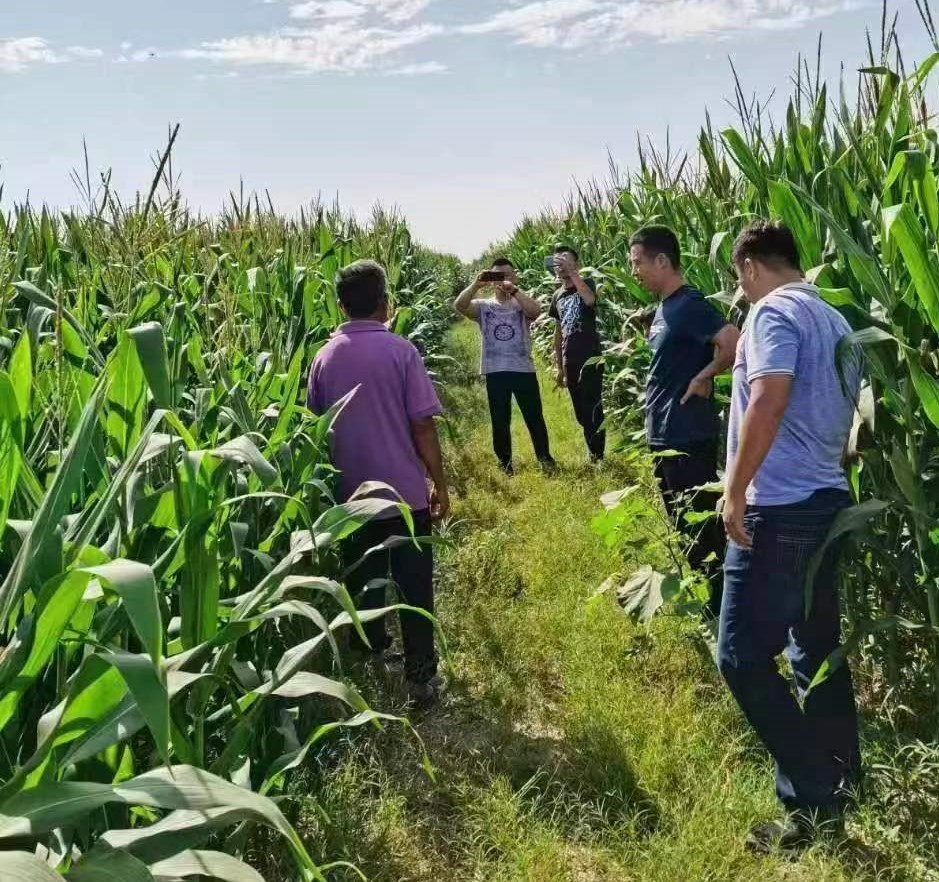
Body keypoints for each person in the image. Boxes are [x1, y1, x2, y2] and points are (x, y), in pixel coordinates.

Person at [718, 221, 862, 852]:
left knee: (743, 657)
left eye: (736, 278)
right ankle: (840, 772)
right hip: (828, 498)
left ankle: (813, 800)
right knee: (814, 645)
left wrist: (735, 487)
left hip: (780, 506)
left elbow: (769, 397)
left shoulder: (772, 312)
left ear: (750, 266)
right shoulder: (833, 318)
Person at [307, 260, 449, 705]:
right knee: (415, 586)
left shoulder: (323, 357)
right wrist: (439, 482)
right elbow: (423, 427)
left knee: (363, 580)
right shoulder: (402, 352)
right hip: (405, 496)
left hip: (350, 500)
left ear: (340, 305)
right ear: (386, 304)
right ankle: (421, 676)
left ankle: (369, 659)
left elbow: (316, 431)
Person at [629, 226, 740, 617]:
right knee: (683, 524)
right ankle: (714, 603)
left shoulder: (689, 303)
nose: (633, 271)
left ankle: (725, 608)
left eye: (638, 262)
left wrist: (705, 376)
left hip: (687, 435)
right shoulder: (664, 306)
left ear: (663, 260)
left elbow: (732, 339)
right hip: (665, 432)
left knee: (701, 528)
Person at [454, 258, 554, 475]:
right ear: (491, 280)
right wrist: (475, 285)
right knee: (500, 420)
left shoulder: (521, 302)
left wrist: (515, 290)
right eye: (497, 276)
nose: (503, 280)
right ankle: (505, 464)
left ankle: (545, 458)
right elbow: (459, 306)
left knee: (534, 416)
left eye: (507, 275)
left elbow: (536, 312)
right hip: (495, 370)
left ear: (515, 276)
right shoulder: (484, 306)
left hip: (523, 368)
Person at [548, 246, 606, 461]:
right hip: (569, 360)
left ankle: (597, 455)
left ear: (576, 265)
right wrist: (559, 366)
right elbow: (558, 331)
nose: (561, 267)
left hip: (590, 358)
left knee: (593, 408)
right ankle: (592, 449)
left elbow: (590, 301)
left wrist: (574, 274)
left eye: (566, 261)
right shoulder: (557, 296)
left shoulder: (587, 284)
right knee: (580, 411)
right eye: (558, 263)